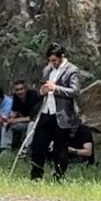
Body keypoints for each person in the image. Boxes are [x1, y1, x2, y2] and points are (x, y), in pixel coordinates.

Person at [28, 43, 82, 181]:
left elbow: (75, 91)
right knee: (38, 144)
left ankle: (59, 177)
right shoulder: (47, 70)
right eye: (50, 60)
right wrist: (42, 91)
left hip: (62, 115)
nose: (53, 63)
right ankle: (36, 176)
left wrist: (55, 88)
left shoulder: (72, 70)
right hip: (46, 112)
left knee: (60, 149)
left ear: (61, 57)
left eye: (55, 60)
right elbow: (40, 87)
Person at [0, 79, 37, 155]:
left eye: (21, 89)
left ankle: (26, 149)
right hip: (23, 122)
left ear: (25, 89)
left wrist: (15, 120)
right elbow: (14, 113)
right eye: (17, 90)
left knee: (31, 124)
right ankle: (5, 150)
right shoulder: (15, 97)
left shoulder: (33, 96)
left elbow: (31, 118)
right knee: (7, 124)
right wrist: (7, 119)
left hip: (35, 122)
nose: (19, 92)